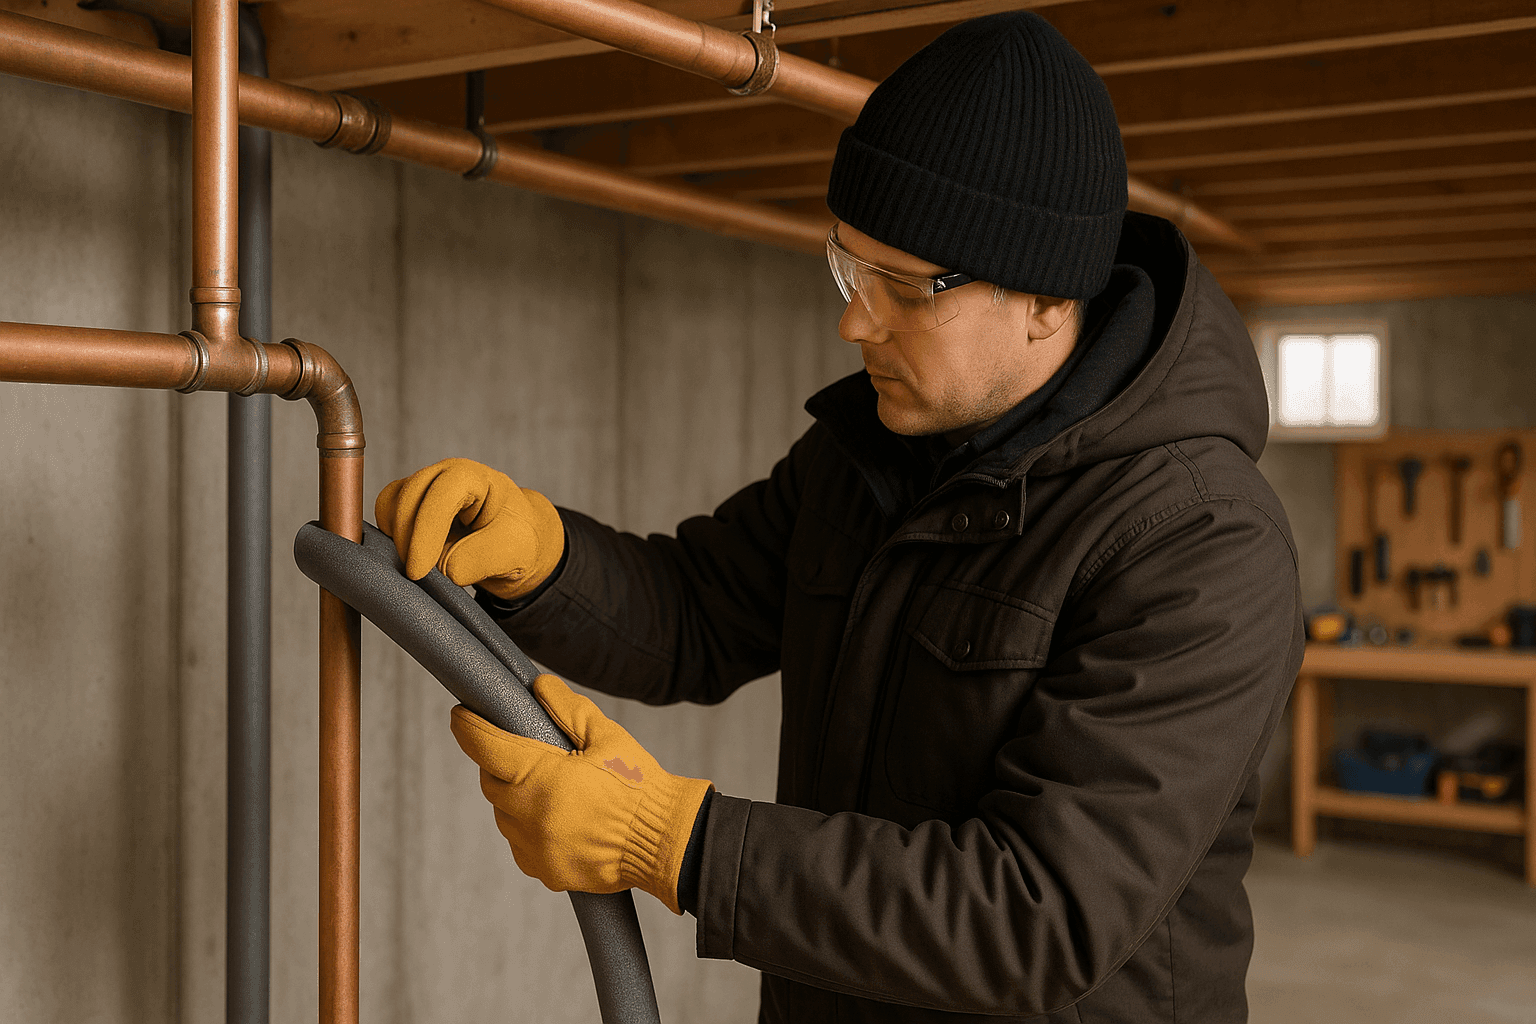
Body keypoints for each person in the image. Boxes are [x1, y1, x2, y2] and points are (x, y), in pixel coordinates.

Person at [374, 11, 1304, 1023]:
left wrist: (675, 841)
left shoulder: (1198, 542)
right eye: (847, 267)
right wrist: (546, 560)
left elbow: (1040, 914)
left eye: (902, 288)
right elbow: (698, 609)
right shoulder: (873, 453)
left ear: (1044, 297)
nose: (854, 318)